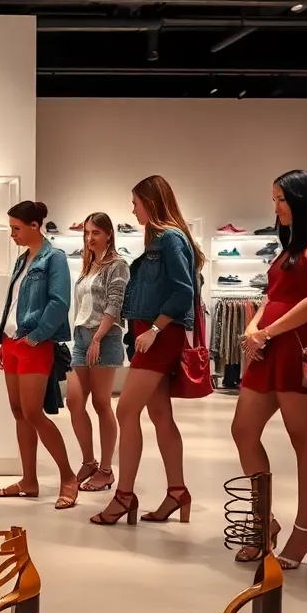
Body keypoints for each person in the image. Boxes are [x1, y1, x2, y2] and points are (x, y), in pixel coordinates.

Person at [230, 170, 307, 569]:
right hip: (270, 343)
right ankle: (265, 523)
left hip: (299, 344)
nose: (275, 206)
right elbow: (274, 294)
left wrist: (267, 332)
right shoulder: (292, 242)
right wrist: (253, 326)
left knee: (302, 439)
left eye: (281, 199)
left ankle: (305, 529)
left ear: (301, 199)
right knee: (243, 430)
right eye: (274, 199)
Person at [90, 175, 203, 526]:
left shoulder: (170, 239)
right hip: (151, 333)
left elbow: (184, 290)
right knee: (160, 415)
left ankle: (124, 495)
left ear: (150, 203)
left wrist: (155, 329)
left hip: (159, 335)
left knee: (125, 410)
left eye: (136, 202)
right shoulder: (160, 241)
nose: (133, 209)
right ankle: (177, 492)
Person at [0, 201, 77, 508]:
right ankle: (29, 480)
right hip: (13, 341)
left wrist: (37, 336)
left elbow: (59, 303)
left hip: (35, 343)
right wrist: (4, 340)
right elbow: (14, 302)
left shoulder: (54, 258)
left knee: (32, 412)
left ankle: (68, 477)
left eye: (16, 228)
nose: (12, 233)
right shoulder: (22, 259)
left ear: (34, 226)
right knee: (19, 411)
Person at [69, 212, 129, 497]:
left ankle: (106, 469)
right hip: (81, 336)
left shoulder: (117, 265)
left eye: (96, 233)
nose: (90, 238)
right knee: (74, 401)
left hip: (104, 336)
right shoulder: (88, 266)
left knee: (102, 403)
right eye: (87, 233)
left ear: (108, 234)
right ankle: (89, 461)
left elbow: (115, 303)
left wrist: (98, 337)